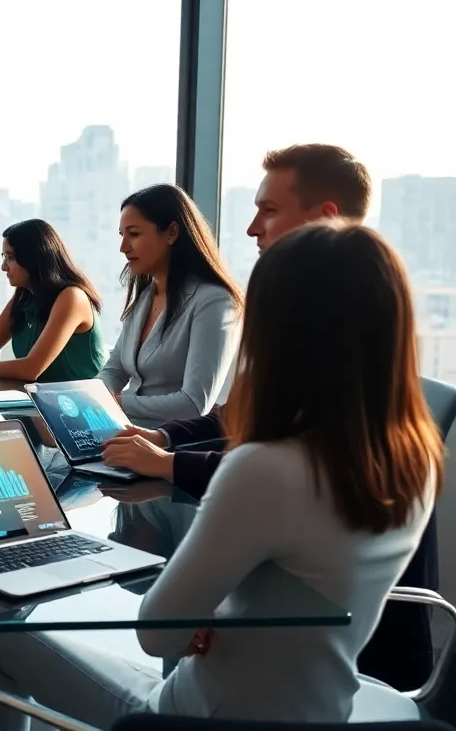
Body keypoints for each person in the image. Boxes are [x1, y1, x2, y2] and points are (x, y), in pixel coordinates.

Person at [0, 221, 442, 727]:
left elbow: (158, 633)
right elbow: (309, 571)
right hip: (329, 706)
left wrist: (206, 616)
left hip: (204, 714)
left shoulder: (267, 469)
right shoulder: (414, 459)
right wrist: (224, 613)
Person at [102, 145, 431, 692]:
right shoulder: (410, 443)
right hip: (329, 677)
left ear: (324, 218)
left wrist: (170, 465)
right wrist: (164, 442)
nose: (252, 229)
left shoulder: (274, 458)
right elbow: (234, 424)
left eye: (268, 210)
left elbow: (159, 630)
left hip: (275, 680)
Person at [96, 184, 242, 423]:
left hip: (173, 445)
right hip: (126, 430)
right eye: (122, 235)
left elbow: (194, 404)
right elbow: (114, 370)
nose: (123, 248)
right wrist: (90, 398)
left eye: (133, 234)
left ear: (172, 232)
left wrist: (119, 403)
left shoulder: (214, 301)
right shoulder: (145, 297)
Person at [0, 219, 105, 382]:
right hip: (38, 400)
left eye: (10, 257)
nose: (3, 266)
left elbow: (30, 369)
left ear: (33, 257)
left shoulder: (72, 297)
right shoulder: (23, 296)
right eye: (4, 257)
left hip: (81, 403)